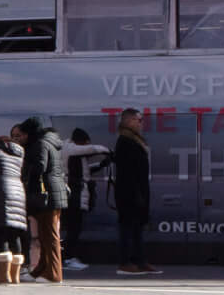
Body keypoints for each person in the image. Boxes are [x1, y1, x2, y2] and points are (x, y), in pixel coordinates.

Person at [109, 108, 159, 276]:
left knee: (137, 228)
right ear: (129, 121)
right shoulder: (125, 141)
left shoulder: (134, 140)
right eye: (139, 120)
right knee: (127, 228)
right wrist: (136, 194)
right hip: (129, 193)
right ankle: (125, 262)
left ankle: (140, 260)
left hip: (137, 191)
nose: (141, 123)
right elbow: (128, 173)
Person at [20, 115, 70, 282]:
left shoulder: (40, 144)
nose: (24, 138)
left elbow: (40, 166)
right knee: (45, 235)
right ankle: (40, 270)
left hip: (47, 195)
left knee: (50, 236)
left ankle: (54, 274)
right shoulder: (49, 143)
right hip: (52, 193)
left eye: (25, 134)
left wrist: (26, 173)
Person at [0, 124, 28, 285]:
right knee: (15, 233)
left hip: (0, 194)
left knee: (1, 233)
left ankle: (3, 276)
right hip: (19, 194)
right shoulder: (19, 154)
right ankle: (15, 276)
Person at [63, 127, 108, 271]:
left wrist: (101, 165)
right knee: (73, 227)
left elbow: (85, 171)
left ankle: (68, 257)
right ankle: (67, 258)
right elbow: (92, 149)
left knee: (73, 227)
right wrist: (107, 151)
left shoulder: (74, 153)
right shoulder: (71, 149)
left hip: (74, 193)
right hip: (73, 194)